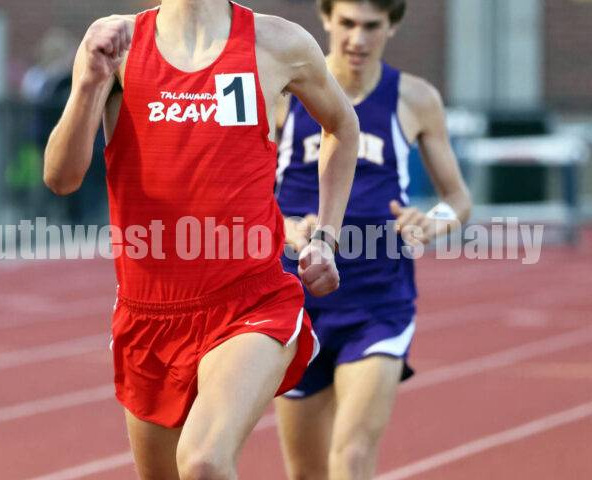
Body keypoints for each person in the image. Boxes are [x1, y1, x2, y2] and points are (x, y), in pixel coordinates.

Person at [43, 1, 360, 478]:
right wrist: (88, 81)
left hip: (249, 301)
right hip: (149, 313)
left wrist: (326, 236)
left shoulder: (277, 42)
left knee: (204, 462)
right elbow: (61, 178)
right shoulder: (117, 44)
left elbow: (342, 126)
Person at [273, 1, 472, 479]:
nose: (357, 40)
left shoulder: (414, 98)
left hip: (378, 300)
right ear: (325, 19)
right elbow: (244, 190)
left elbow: (458, 198)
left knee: (353, 455)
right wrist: (282, 227)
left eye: (371, 27)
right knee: (307, 472)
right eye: (346, 24)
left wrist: (433, 221)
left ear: (393, 26)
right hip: (297, 300)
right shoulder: (282, 92)